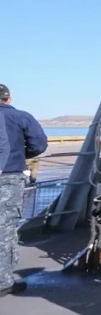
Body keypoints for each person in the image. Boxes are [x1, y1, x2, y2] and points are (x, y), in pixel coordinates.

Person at [0, 83, 47, 297]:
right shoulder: (20, 117)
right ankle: (3, 282)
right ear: (8, 98)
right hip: (8, 179)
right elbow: (39, 143)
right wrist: (20, 155)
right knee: (5, 229)